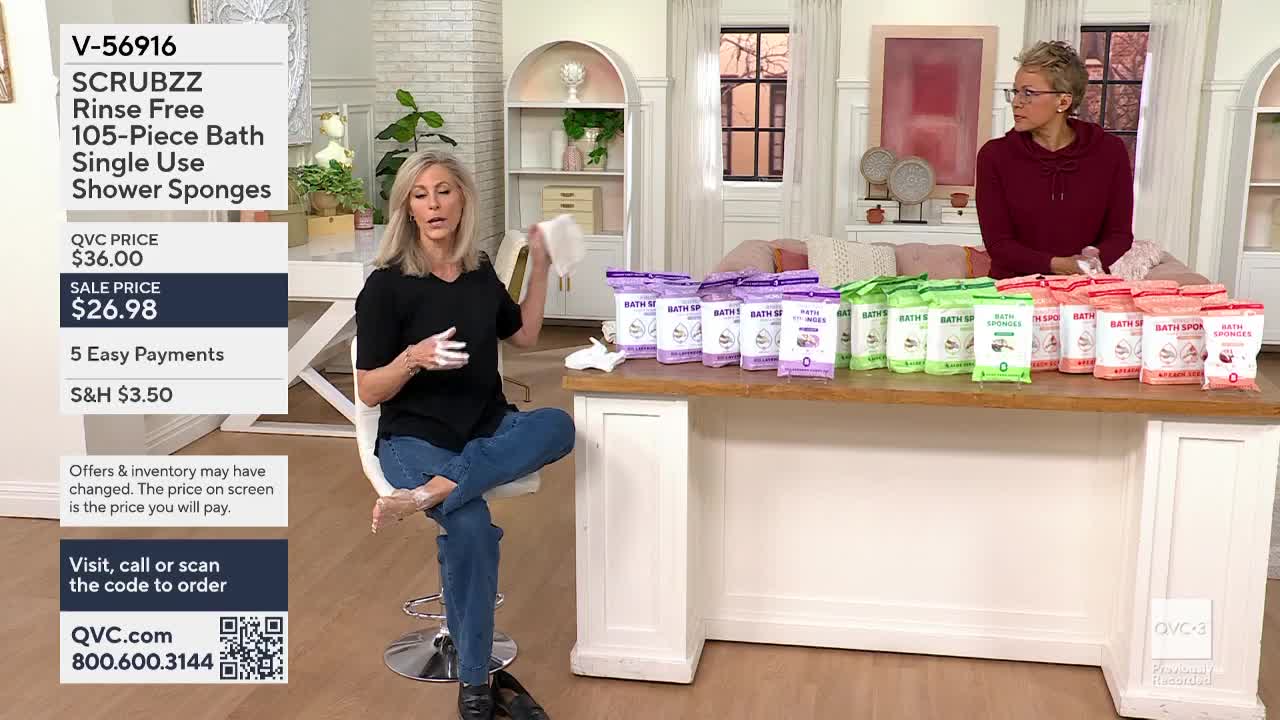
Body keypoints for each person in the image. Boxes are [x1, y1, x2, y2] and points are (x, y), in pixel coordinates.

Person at [354, 150, 575, 720]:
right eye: (421, 194)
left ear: (462, 200)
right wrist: (413, 358)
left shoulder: (479, 274)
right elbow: (369, 392)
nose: (434, 203)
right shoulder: (386, 287)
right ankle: (475, 686)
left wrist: (543, 264)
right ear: (406, 207)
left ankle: (430, 493)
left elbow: (522, 336)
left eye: (444, 191)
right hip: (415, 439)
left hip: (486, 425)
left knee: (558, 424)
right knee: (471, 525)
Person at [975, 40, 1134, 279]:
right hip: (1014, 292)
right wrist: (1060, 265)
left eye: (1028, 93)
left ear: (1063, 101)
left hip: (1083, 290)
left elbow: (1120, 235)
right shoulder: (994, 156)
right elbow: (999, 245)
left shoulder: (1110, 152)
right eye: (1016, 92)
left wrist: (1091, 260)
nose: (1017, 102)